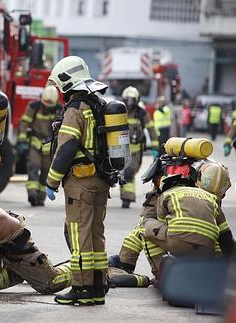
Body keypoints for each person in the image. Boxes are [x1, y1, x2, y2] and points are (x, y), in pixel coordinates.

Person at [44, 56, 112, 306]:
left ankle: (81, 288)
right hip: (101, 180)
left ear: (65, 82)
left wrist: (51, 181)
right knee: (96, 234)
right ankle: (97, 287)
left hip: (81, 183)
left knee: (79, 234)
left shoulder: (75, 109)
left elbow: (67, 148)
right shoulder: (99, 103)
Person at [143, 161, 234, 268]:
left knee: (146, 228)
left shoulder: (169, 193)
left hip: (178, 243)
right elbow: (226, 237)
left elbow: (161, 221)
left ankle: (161, 274)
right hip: (206, 249)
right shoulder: (212, 200)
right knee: (214, 234)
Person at [16, 85, 61, 206]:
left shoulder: (59, 110)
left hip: (50, 146)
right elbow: (24, 123)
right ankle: (32, 194)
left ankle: (40, 198)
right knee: (33, 167)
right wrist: (22, 141)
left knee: (46, 172)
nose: (47, 107)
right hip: (36, 143)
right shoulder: (33, 107)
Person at [120, 86, 159, 208]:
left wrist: (155, 148)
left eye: (132, 100)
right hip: (120, 150)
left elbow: (152, 130)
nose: (130, 103)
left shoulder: (142, 113)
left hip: (136, 151)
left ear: (137, 100)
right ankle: (125, 195)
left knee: (129, 172)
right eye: (127, 99)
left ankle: (127, 198)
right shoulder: (119, 111)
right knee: (123, 174)